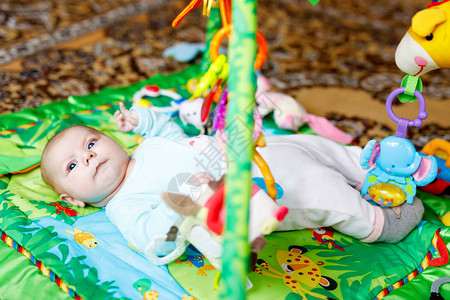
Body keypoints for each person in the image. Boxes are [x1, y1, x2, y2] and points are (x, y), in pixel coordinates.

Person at [40, 102, 424, 259]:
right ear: (73, 200)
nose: (87, 156)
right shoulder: (123, 204)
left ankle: (371, 166)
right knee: (315, 187)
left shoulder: (146, 149)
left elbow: (170, 132)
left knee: (311, 145)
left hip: (253, 148)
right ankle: (379, 222)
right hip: (251, 187)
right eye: (72, 167)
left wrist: (143, 120)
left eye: (91, 142)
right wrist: (187, 196)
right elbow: (153, 242)